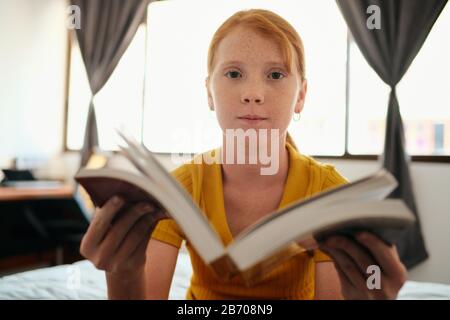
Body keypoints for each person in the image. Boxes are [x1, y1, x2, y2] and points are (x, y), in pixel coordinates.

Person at [79, 9, 407, 300]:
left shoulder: (329, 193)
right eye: (233, 74)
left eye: (276, 74)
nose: (252, 94)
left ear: (301, 96)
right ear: (209, 92)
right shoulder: (180, 187)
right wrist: (122, 272)